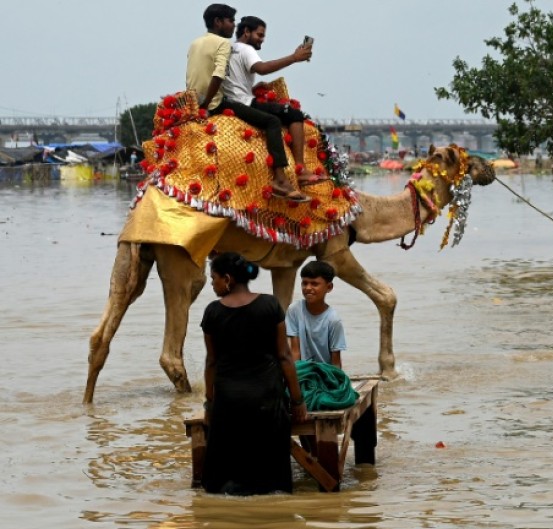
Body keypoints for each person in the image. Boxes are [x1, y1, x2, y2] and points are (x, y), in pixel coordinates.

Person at [200, 252, 307, 495]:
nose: (212, 283)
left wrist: (209, 404)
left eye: (213, 278)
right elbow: (285, 357)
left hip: (229, 402)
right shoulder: (270, 305)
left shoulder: (212, 312)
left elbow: (211, 363)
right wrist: (298, 400)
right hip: (266, 400)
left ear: (227, 279)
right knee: (271, 476)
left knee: (223, 476)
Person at [186, 4, 308, 202]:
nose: (233, 25)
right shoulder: (227, 45)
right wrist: (294, 58)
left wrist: (196, 102)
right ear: (219, 22)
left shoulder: (196, 43)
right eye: (230, 21)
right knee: (276, 120)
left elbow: (200, 74)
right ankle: (285, 177)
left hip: (195, 99)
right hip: (220, 102)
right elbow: (221, 75)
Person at [222, 16, 321, 185]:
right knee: (294, 114)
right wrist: (294, 58)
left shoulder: (228, 49)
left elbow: (232, 82)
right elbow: (262, 68)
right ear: (246, 32)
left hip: (231, 101)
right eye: (260, 35)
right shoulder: (246, 49)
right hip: (244, 103)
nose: (262, 40)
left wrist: (253, 88)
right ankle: (300, 169)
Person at [286, 261, 346, 368]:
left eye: (314, 284)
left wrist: (336, 382)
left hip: (325, 374)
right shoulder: (294, 310)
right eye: (305, 283)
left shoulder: (333, 320)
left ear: (329, 287)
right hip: (303, 371)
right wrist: (294, 379)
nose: (308, 288)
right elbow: (295, 351)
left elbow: (335, 360)